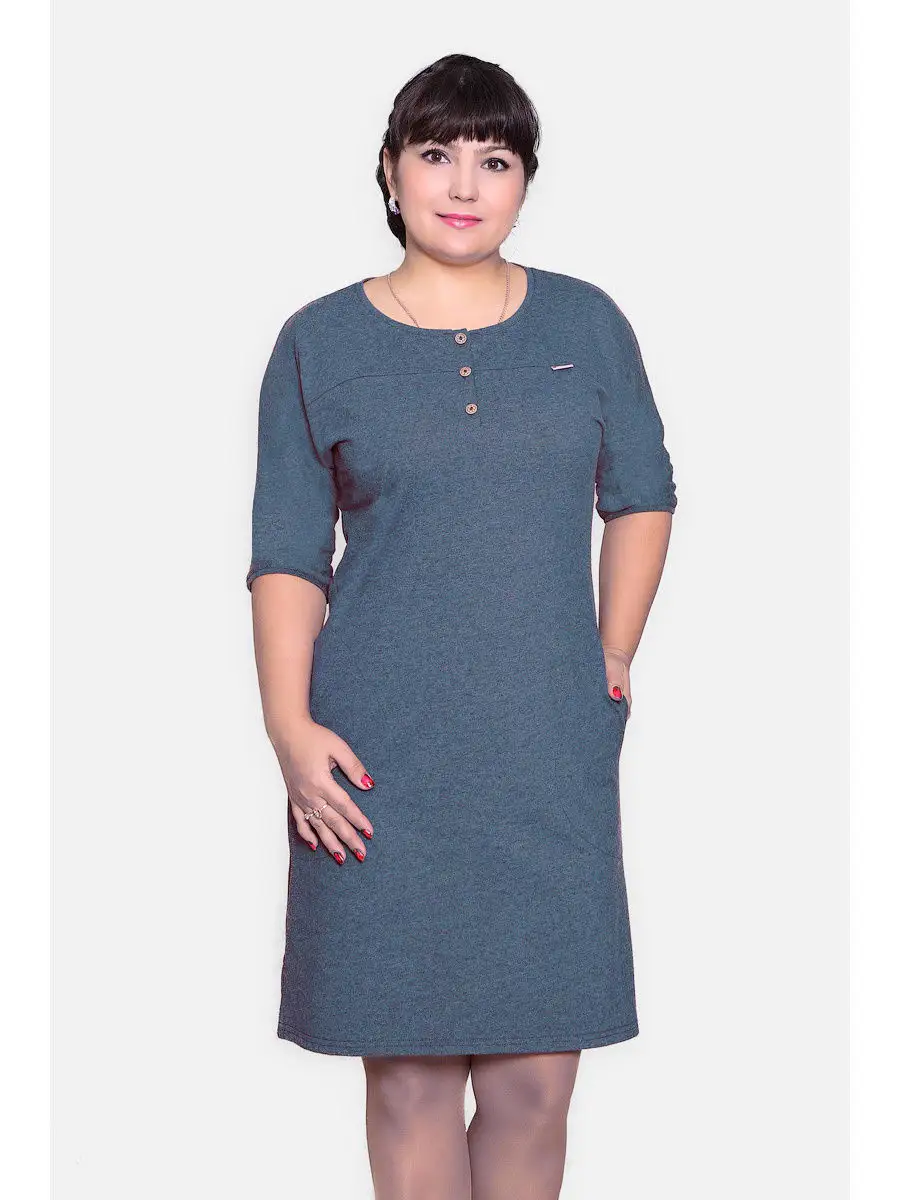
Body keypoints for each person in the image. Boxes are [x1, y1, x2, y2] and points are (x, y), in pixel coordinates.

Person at [246, 52, 677, 1200]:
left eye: (497, 159)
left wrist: (612, 649)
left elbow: (642, 493)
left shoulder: (587, 322)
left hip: (543, 748)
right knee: (409, 1083)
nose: (464, 183)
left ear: (526, 181)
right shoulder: (319, 340)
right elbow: (287, 554)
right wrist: (289, 727)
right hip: (378, 755)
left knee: (537, 1083)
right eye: (436, 153)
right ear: (390, 171)